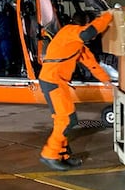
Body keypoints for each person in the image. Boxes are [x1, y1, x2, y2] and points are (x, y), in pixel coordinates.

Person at [38, 10, 113, 171]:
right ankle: (50, 154)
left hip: (57, 82)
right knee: (65, 120)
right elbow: (88, 33)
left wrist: (106, 80)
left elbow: (91, 63)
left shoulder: (77, 44)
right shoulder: (70, 31)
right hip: (52, 81)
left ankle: (63, 155)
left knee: (68, 119)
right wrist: (108, 16)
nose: (95, 37)